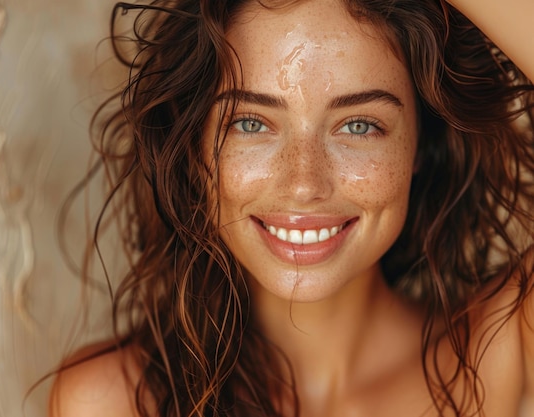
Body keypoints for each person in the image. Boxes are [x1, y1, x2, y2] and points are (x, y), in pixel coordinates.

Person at [49, 0, 534, 415]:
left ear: (419, 147)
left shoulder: (501, 351)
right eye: (252, 124)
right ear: (194, 147)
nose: (304, 184)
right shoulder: (112, 401)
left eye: (359, 126)